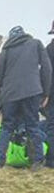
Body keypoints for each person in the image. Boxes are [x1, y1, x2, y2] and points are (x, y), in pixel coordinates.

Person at [0, 26, 52, 170]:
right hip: (32, 92)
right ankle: (37, 160)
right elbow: (47, 68)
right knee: (32, 126)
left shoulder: (6, 50)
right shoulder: (36, 44)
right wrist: (45, 93)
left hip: (10, 94)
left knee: (6, 127)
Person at [46, 21, 54, 167]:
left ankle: (51, 160)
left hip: (51, 94)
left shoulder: (49, 49)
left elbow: (46, 74)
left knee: (51, 126)